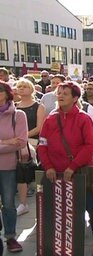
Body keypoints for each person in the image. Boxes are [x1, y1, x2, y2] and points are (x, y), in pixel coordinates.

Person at [37, 81, 93, 255]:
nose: (60, 95)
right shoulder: (50, 119)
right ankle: (62, 243)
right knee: (60, 209)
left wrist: (72, 167)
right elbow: (42, 144)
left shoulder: (84, 118)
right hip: (55, 173)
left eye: (65, 93)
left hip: (80, 171)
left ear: (75, 98)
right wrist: (48, 166)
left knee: (90, 207)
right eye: (59, 92)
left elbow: (90, 145)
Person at [0, 81, 28, 253]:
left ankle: (10, 237)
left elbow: (20, 142)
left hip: (9, 167)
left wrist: (5, 143)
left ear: (7, 93)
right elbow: (12, 142)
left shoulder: (18, 115)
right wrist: (6, 142)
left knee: (9, 204)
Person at [14, 78, 46, 215]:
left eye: (24, 86)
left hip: (31, 142)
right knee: (19, 173)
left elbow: (40, 127)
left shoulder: (39, 106)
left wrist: (23, 137)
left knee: (28, 172)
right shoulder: (14, 106)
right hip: (14, 143)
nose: (21, 88)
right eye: (19, 86)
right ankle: (23, 202)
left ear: (32, 89)